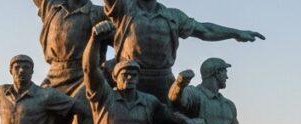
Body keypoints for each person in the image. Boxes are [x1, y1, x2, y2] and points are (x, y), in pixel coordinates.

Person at [103, 0, 265, 101]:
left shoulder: (173, 16)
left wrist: (236, 33)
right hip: (130, 77)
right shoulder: (123, 9)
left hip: (163, 79)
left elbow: (205, 30)